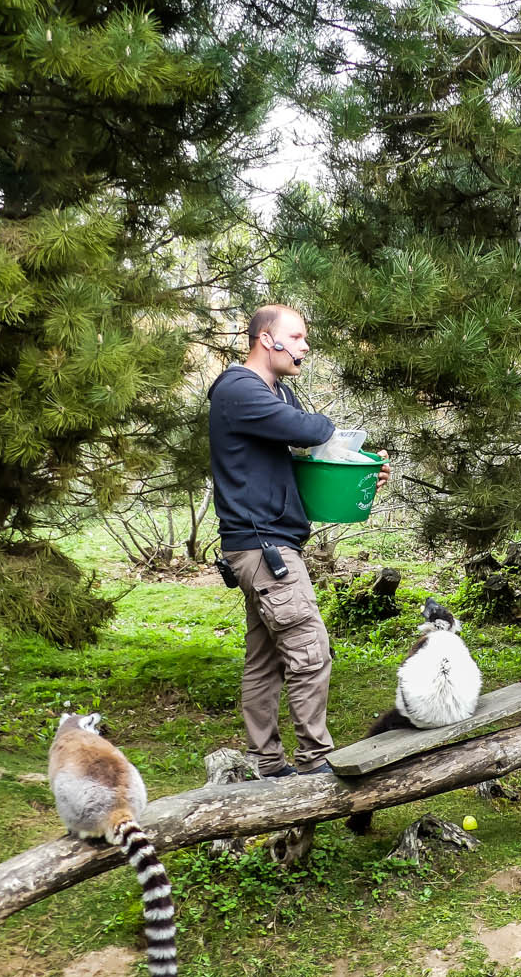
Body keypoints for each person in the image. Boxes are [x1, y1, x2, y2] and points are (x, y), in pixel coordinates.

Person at [207, 304, 390, 777]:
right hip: (264, 548)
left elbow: (300, 467)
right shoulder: (238, 389)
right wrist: (331, 433)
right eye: (298, 336)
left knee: (265, 661)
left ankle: (267, 762)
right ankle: (315, 762)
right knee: (311, 650)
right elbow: (309, 431)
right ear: (267, 339)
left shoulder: (276, 393)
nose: (305, 346)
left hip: (267, 544)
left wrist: (363, 471)